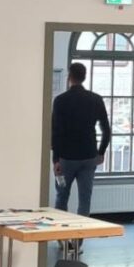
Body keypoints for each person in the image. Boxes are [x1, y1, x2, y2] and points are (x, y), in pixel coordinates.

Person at [51, 62, 111, 217]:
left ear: (69, 77)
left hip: (66, 158)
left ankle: (60, 230)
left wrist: (55, 159)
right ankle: (81, 231)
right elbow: (106, 129)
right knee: (85, 200)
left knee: (62, 196)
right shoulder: (96, 99)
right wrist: (101, 152)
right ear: (84, 77)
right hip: (89, 156)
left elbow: (56, 132)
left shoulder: (60, 101)